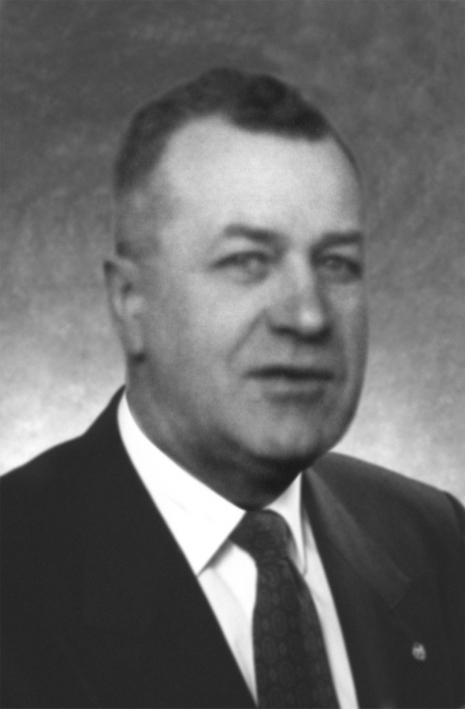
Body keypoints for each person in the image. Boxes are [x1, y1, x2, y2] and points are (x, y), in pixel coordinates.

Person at [1, 67, 464, 709]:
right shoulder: (15, 570)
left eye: (336, 263)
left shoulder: (435, 540)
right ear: (131, 301)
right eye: (248, 261)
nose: (308, 315)